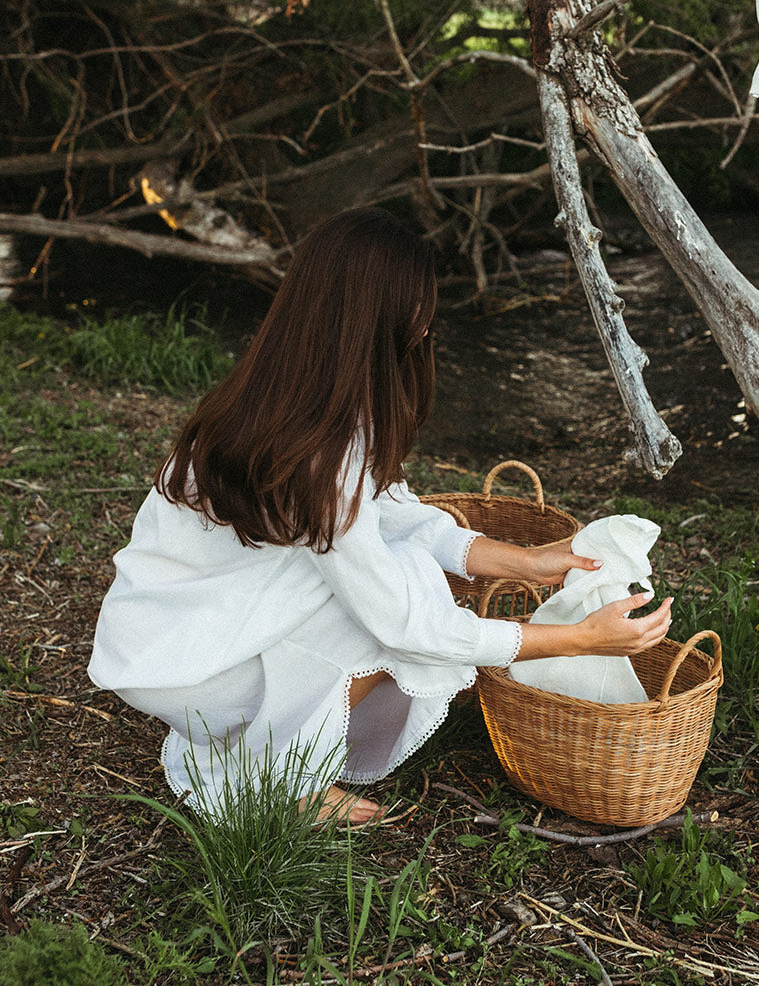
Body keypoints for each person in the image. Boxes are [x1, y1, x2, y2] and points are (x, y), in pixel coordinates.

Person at [89, 208, 673, 823]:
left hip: (167, 637)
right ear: (382, 316)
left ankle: (257, 745)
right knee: (403, 603)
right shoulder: (323, 453)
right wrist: (580, 639)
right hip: (191, 665)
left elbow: (389, 512)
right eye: (420, 304)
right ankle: (277, 783)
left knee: (395, 572)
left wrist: (527, 562)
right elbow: (406, 624)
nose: (427, 321)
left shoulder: (280, 399)